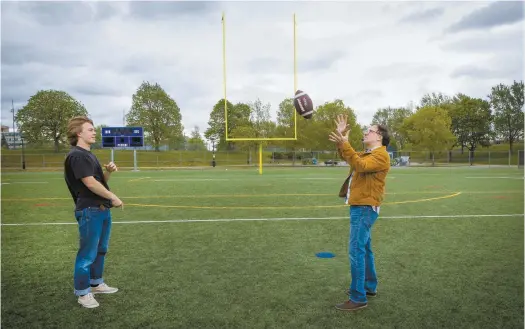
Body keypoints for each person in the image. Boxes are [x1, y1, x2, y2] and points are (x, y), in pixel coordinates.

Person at [328, 114, 391, 311]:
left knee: (356, 250)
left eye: (370, 130)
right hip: (362, 206)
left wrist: (345, 143)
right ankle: (368, 287)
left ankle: (358, 297)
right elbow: (352, 158)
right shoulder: (370, 153)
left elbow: (360, 165)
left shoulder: (381, 155)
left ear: (379, 136)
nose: (365, 132)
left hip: (364, 208)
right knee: (365, 249)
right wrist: (342, 141)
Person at [64, 116, 124, 308]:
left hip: (100, 209)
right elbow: (89, 183)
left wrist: (108, 172)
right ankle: (83, 294)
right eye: (90, 129)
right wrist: (113, 196)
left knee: (100, 250)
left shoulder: (89, 154)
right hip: (90, 210)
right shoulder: (78, 155)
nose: (94, 132)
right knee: (87, 254)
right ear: (78, 133)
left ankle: (96, 283)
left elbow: (98, 182)